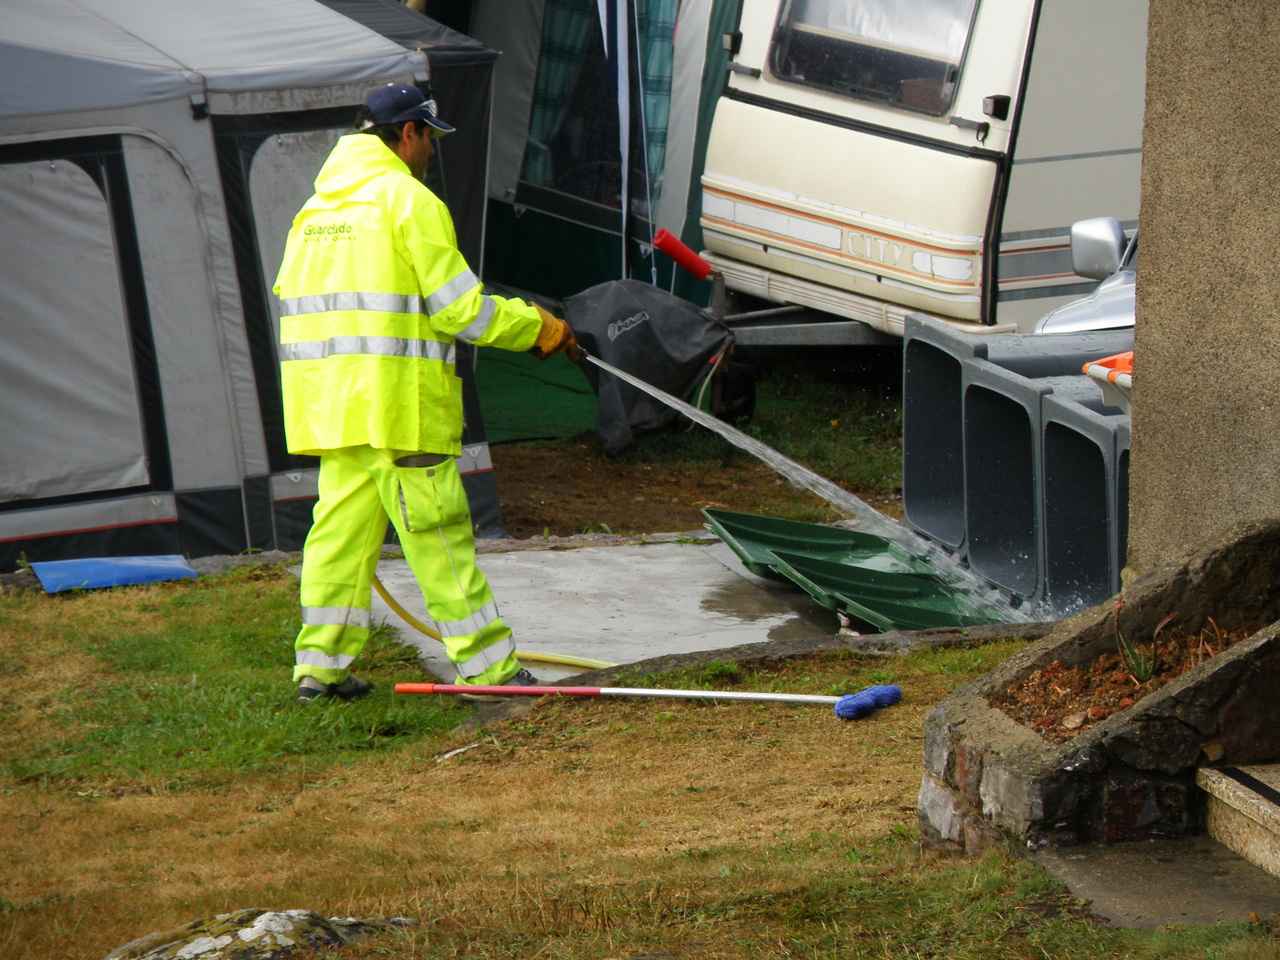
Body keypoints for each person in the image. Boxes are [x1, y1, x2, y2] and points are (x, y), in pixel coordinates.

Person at [274, 83, 577, 703]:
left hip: (334, 411)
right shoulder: (407, 203)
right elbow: (462, 311)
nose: (433, 150)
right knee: (439, 540)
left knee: (336, 540)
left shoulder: (315, 213)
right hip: (401, 412)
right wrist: (537, 327)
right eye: (430, 136)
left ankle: (319, 671)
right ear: (406, 133)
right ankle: (491, 674)